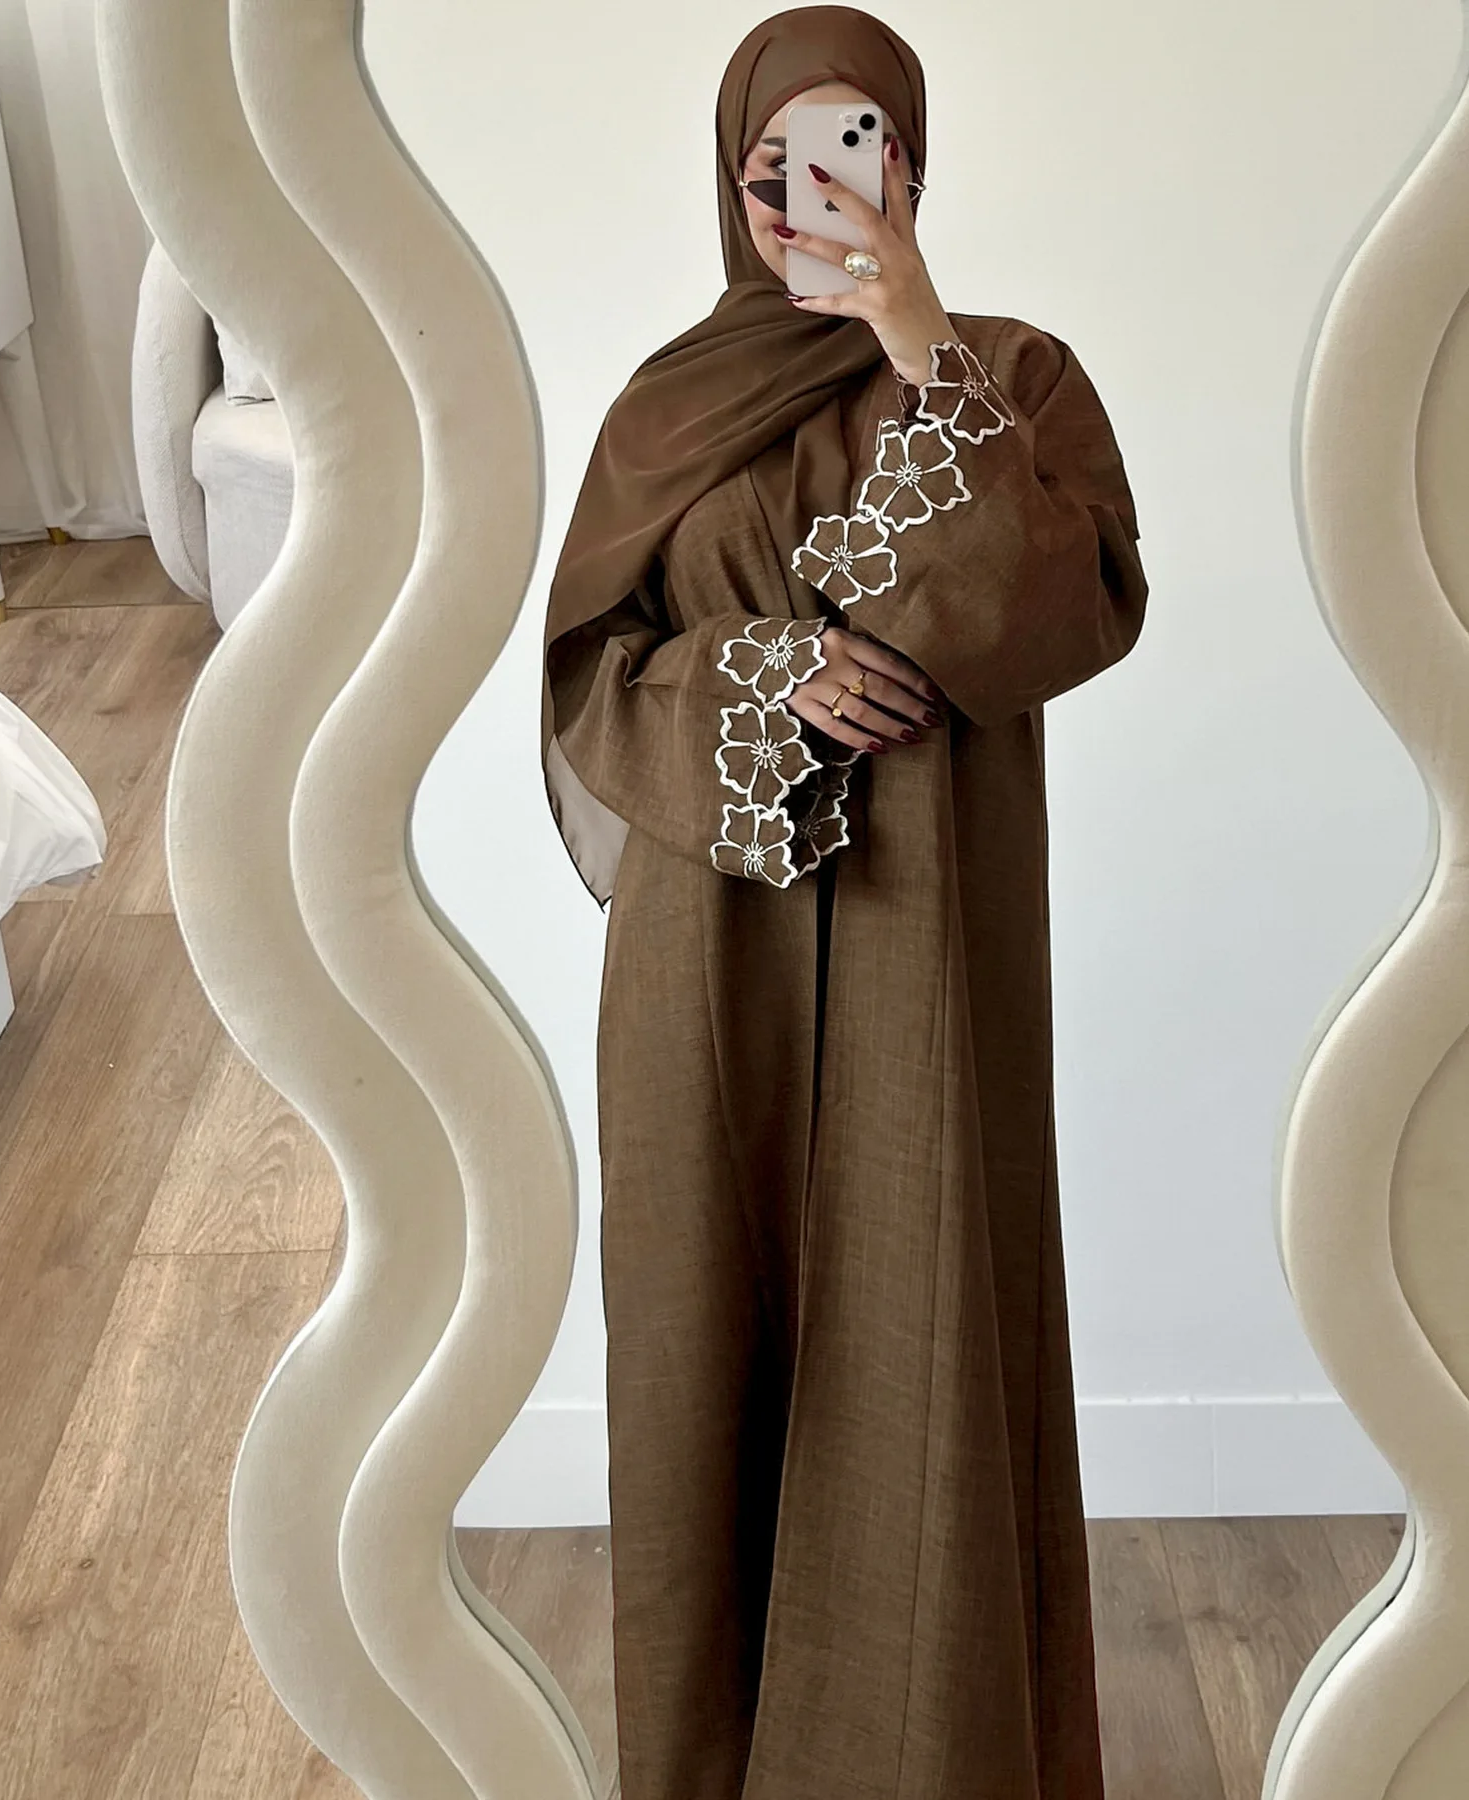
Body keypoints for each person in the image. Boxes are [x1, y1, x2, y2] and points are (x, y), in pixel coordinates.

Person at [540, 7, 1149, 1797]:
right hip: (706, 958)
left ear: (914, 166)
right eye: (775, 162)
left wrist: (915, 333)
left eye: (857, 148)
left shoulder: (1015, 379)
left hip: (930, 950)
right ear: (730, 183)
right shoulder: (667, 407)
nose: (815, 193)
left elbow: (1070, 603)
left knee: (925, 1336)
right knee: (701, 1345)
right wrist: (761, 679)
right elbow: (587, 678)